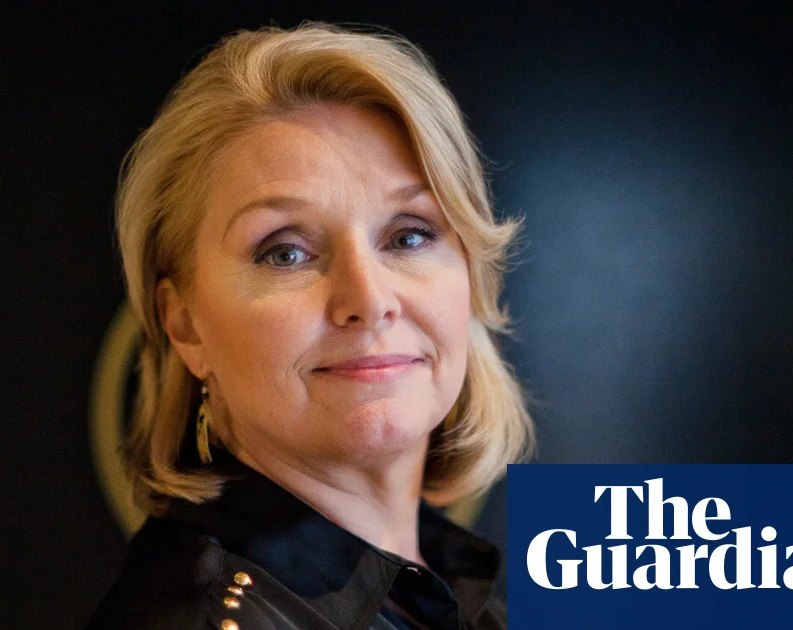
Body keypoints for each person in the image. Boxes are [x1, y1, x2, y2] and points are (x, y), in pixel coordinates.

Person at [87, 22, 535, 630]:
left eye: (408, 236)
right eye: (286, 252)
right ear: (186, 325)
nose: (369, 299)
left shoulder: (456, 597)